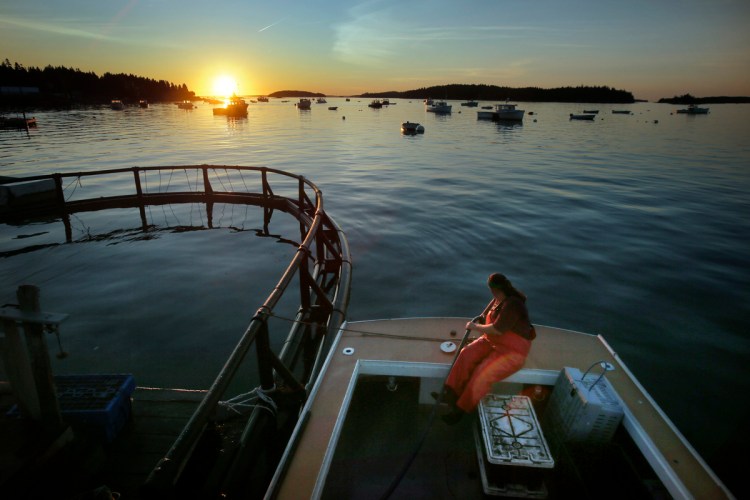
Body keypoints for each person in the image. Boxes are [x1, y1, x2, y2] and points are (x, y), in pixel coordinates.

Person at [439, 273, 536, 424]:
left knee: (482, 373)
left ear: (494, 289)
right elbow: (485, 317)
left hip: (512, 352)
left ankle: (460, 410)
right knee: (466, 354)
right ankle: (450, 393)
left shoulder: (514, 304)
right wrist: (482, 321)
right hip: (491, 341)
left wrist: (474, 326)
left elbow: (497, 329)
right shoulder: (498, 298)